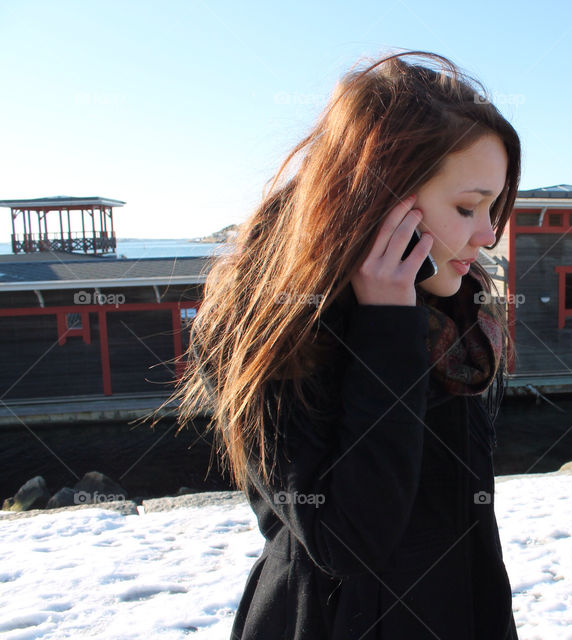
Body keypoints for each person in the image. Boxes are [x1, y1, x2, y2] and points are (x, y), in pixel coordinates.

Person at [169, 50, 522, 639]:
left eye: (494, 207)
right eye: (467, 206)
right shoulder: (270, 327)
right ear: (374, 199)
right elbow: (347, 543)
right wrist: (387, 330)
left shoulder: (449, 309)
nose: (489, 235)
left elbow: (463, 527)